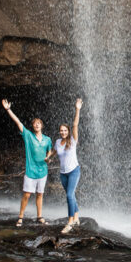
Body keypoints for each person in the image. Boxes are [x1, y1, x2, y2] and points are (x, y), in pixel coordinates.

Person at [2, 99, 53, 227]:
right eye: (35, 124)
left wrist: (48, 158)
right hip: (31, 170)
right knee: (27, 194)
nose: (36, 125)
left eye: (38, 124)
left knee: (40, 194)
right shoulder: (28, 136)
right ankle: (20, 217)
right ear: (33, 126)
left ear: (42, 126)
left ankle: (39, 216)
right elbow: (18, 121)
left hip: (43, 171)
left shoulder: (47, 139)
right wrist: (8, 109)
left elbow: (50, 152)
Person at [54, 98, 82, 234]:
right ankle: (76, 217)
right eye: (61, 130)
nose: (63, 132)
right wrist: (47, 157)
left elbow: (75, 125)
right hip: (63, 173)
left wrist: (77, 109)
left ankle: (70, 222)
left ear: (68, 131)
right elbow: (54, 152)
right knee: (70, 195)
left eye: (65, 130)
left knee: (69, 195)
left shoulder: (73, 139)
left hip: (74, 171)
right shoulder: (58, 142)